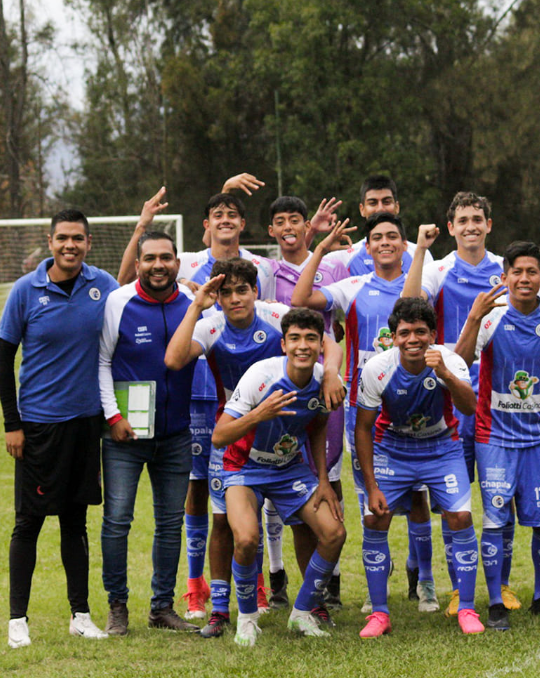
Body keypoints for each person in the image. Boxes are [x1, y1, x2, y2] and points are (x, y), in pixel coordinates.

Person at [164, 258, 345, 636]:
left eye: (241, 290)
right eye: (225, 292)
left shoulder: (276, 316)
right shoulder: (212, 325)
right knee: (229, 529)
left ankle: (308, 606)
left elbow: (322, 338)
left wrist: (330, 372)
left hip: (286, 443)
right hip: (239, 436)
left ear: (254, 291)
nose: (234, 299)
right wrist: (198, 304)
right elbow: (174, 359)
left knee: (310, 527)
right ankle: (223, 611)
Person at [121, 185, 277, 619]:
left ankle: (258, 585)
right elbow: (128, 282)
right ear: (205, 224)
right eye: (217, 214)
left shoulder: (259, 266)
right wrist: (142, 226)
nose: (225, 219)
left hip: (243, 401)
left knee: (248, 489)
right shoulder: (185, 262)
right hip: (196, 398)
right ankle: (195, 588)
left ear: (243, 223)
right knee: (197, 492)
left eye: (233, 213)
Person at [0, 209, 119, 647]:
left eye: (78, 239)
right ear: (50, 241)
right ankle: (17, 620)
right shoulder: (25, 291)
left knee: (75, 522)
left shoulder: (102, 285)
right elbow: (2, 361)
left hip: (86, 425)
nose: (71, 245)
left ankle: (80, 614)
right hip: (38, 427)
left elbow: (133, 299)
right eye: (63, 238)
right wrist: (13, 425)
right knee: (28, 522)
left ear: (88, 242)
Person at [455, 241, 540, 629]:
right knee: (495, 520)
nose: (524, 279)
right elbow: (459, 362)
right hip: (493, 436)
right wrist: (473, 318)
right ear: (505, 277)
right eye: (517, 272)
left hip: (538, 438)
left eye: (532, 272)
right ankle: (494, 603)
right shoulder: (490, 317)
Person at [292, 212, 410, 611]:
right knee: (367, 498)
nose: (384, 243)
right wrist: (320, 248)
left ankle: (423, 582)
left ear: (403, 244)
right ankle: (377, 578)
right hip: (365, 408)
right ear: (369, 247)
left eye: (392, 236)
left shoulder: (419, 280)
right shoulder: (354, 285)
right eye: (377, 238)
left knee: (420, 498)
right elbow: (301, 300)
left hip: (413, 405)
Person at [209, 308, 348, 645]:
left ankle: (302, 613)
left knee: (334, 533)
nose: (303, 346)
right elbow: (219, 436)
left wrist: (324, 480)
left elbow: (316, 425)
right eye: (296, 339)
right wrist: (261, 413)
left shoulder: (324, 381)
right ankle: (247, 618)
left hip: (289, 469)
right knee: (245, 539)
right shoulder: (261, 376)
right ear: (283, 344)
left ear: (320, 345)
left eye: (311, 339)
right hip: (244, 467)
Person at [403, 191, 510, 614]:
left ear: (488, 224)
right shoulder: (440, 267)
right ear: (451, 227)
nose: (470, 226)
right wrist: (422, 251)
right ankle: (454, 587)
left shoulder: (503, 269)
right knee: (454, 499)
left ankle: (502, 585)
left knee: (499, 495)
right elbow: (408, 304)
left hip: (498, 394)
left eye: (477, 219)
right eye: (462, 220)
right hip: (450, 395)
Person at [355, 297, 484, 635]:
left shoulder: (451, 361)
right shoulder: (376, 369)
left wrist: (442, 372)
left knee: (460, 517)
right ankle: (379, 613)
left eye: (421, 332)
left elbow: (469, 407)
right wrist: (371, 486)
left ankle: (467, 609)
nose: (413, 339)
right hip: (392, 450)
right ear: (393, 337)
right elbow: (363, 428)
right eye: (405, 332)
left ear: (433, 334)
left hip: (441, 448)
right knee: (376, 518)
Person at [97, 230, 199, 635]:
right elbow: (102, 361)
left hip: (175, 436)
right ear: (138, 263)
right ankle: (117, 605)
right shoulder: (118, 302)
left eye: (167, 258)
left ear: (177, 262)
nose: (159, 265)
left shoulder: (193, 304)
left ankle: (161, 607)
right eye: (151, 258)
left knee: (171, 523)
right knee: (117, 520)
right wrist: (112, 416)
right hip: (124, 437)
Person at [266, 193, 350, 609]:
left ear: (305, 225)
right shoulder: (265, 270)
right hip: (279, 386)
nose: (287, 228)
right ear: (270, 230)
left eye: (294, 220)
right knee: (276, 476)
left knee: (327, 477)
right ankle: (277, 574)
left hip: (323, 384)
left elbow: (334, 332)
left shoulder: (335, 264)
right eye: (279, 221)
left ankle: (330, 581)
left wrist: (332, 370)